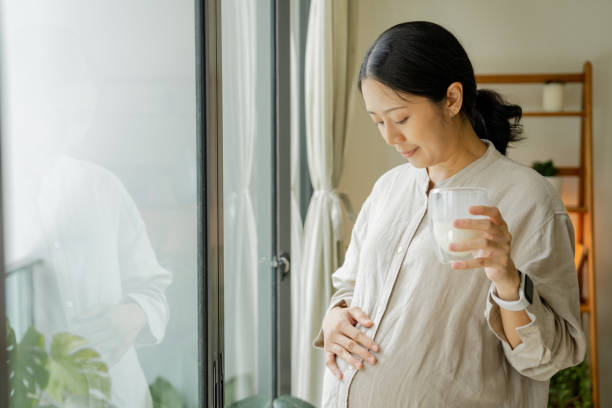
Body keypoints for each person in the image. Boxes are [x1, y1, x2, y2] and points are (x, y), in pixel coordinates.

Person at [314, 21, 586, 407]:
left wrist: (508, 282)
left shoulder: (528, 199)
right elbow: (350, 283)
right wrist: (336, 316)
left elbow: (549, 358)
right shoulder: (388, 189)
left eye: (401, 118)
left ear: (452, 99)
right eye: (377, 121)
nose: (390, 137)